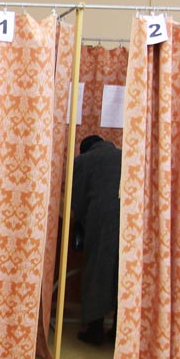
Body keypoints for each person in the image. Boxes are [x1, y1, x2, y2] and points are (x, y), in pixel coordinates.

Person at [71, 135, 122, 346]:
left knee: (97, 271)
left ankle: (94, 329)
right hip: (130, 220)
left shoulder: (83, 161)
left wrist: (81, 221)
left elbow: (77, 201)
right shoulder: (125, 156)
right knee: (123, 274)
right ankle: (119, 330)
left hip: (101, 220)